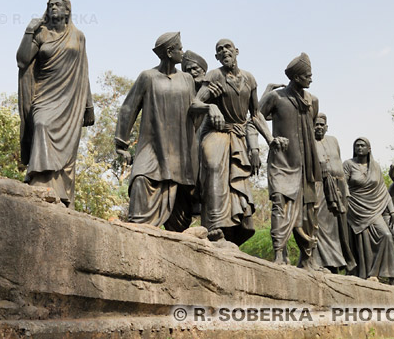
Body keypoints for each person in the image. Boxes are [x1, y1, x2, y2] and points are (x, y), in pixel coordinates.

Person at [115, 32, 214, 231]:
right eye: (179, 48)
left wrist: (211, 107)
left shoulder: (186, 79)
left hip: (180, 153)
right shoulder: (147, 77)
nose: (182, 51)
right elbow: (128, 108)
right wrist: (121, 144)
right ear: (169, 52)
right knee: (141, 179)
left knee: (180, 211)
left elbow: (194, 104)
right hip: (152, 148)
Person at [17, 0, 93, 206]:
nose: (53, 7)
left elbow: (84, 71)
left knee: (68, 146)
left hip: (70, 100)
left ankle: (61, 192)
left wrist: (89, 105)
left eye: (57, 4)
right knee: (42, 124)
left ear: (68, 11)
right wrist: (29, 30)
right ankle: (39, 180)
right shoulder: (40, 34)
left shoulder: (79, 36)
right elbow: (22, 60)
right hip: (44, 95)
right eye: (50, 5)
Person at [196, 39, 271, 245]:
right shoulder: (213, 75)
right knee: (213, 168)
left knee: (236, 184)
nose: (224, 51)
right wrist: (210, 108)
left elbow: (255, 115)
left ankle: (234, 231)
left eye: (227, 47)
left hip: (237, 138)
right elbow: (195, 102)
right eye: (219, 50)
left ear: (236, 51)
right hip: (216, 133)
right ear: (216, 57)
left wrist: (269, 140)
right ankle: (214, 226)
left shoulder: (249, 79)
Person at [257, 53, 321, 267]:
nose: (311, 79)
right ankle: (278, 253)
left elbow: (310, 128)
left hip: (305, 163)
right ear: (296, 77)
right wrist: (271, 138)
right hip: (282, 161)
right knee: (279, 203)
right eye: (307, 76)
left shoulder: (313, 101)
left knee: (307, 210)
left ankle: (307, 258)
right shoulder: (277, 97)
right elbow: (256, 116)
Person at [343, 137, 394, 282]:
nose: (359, 148)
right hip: (355, 209)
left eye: (362, 145)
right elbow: (343, 184)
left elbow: (384, 192)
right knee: (362, 242)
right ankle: (366, 274)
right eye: (357, 145)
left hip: (374, 209)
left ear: (369, 149)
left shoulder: (376, 167)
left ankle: (391, 277)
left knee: (387, 235)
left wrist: (392, 213)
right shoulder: (348, 164)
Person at [312, 113, 356, 273]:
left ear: (326, 127)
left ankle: (336, 263)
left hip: (339, 188)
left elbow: (338, 160)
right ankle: (322, 262)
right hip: (321, 187)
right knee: (322, 225)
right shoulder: (308, 140)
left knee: (339, 228)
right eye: (316, 124)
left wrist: (346, 190)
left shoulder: (333, 140)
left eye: (321, 125)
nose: (318, 127)